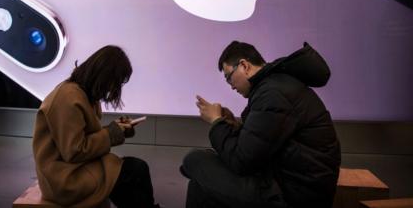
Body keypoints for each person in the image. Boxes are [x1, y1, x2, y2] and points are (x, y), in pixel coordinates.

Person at [181, 41, 341, 208]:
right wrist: (232, 124)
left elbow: (241, 161)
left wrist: (216, 122)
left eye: (229, 77)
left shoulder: (273, 94)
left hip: (293, 196)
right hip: (290, 184)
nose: (231, 86)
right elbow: (261, 144)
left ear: (244, 66)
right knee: (201, 181)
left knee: (195, 160)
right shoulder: (276, 85)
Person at [32, 45, 159, 208]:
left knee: (135, 172)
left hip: (74, 169)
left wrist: (117, 130)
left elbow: (82, 139)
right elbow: (75, 151)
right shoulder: (68, 98)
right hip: (65, 179)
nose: (115, 89)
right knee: (134, 171)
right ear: (104, 77)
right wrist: (111, 133)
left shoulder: (80, 94)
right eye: (116, 83)